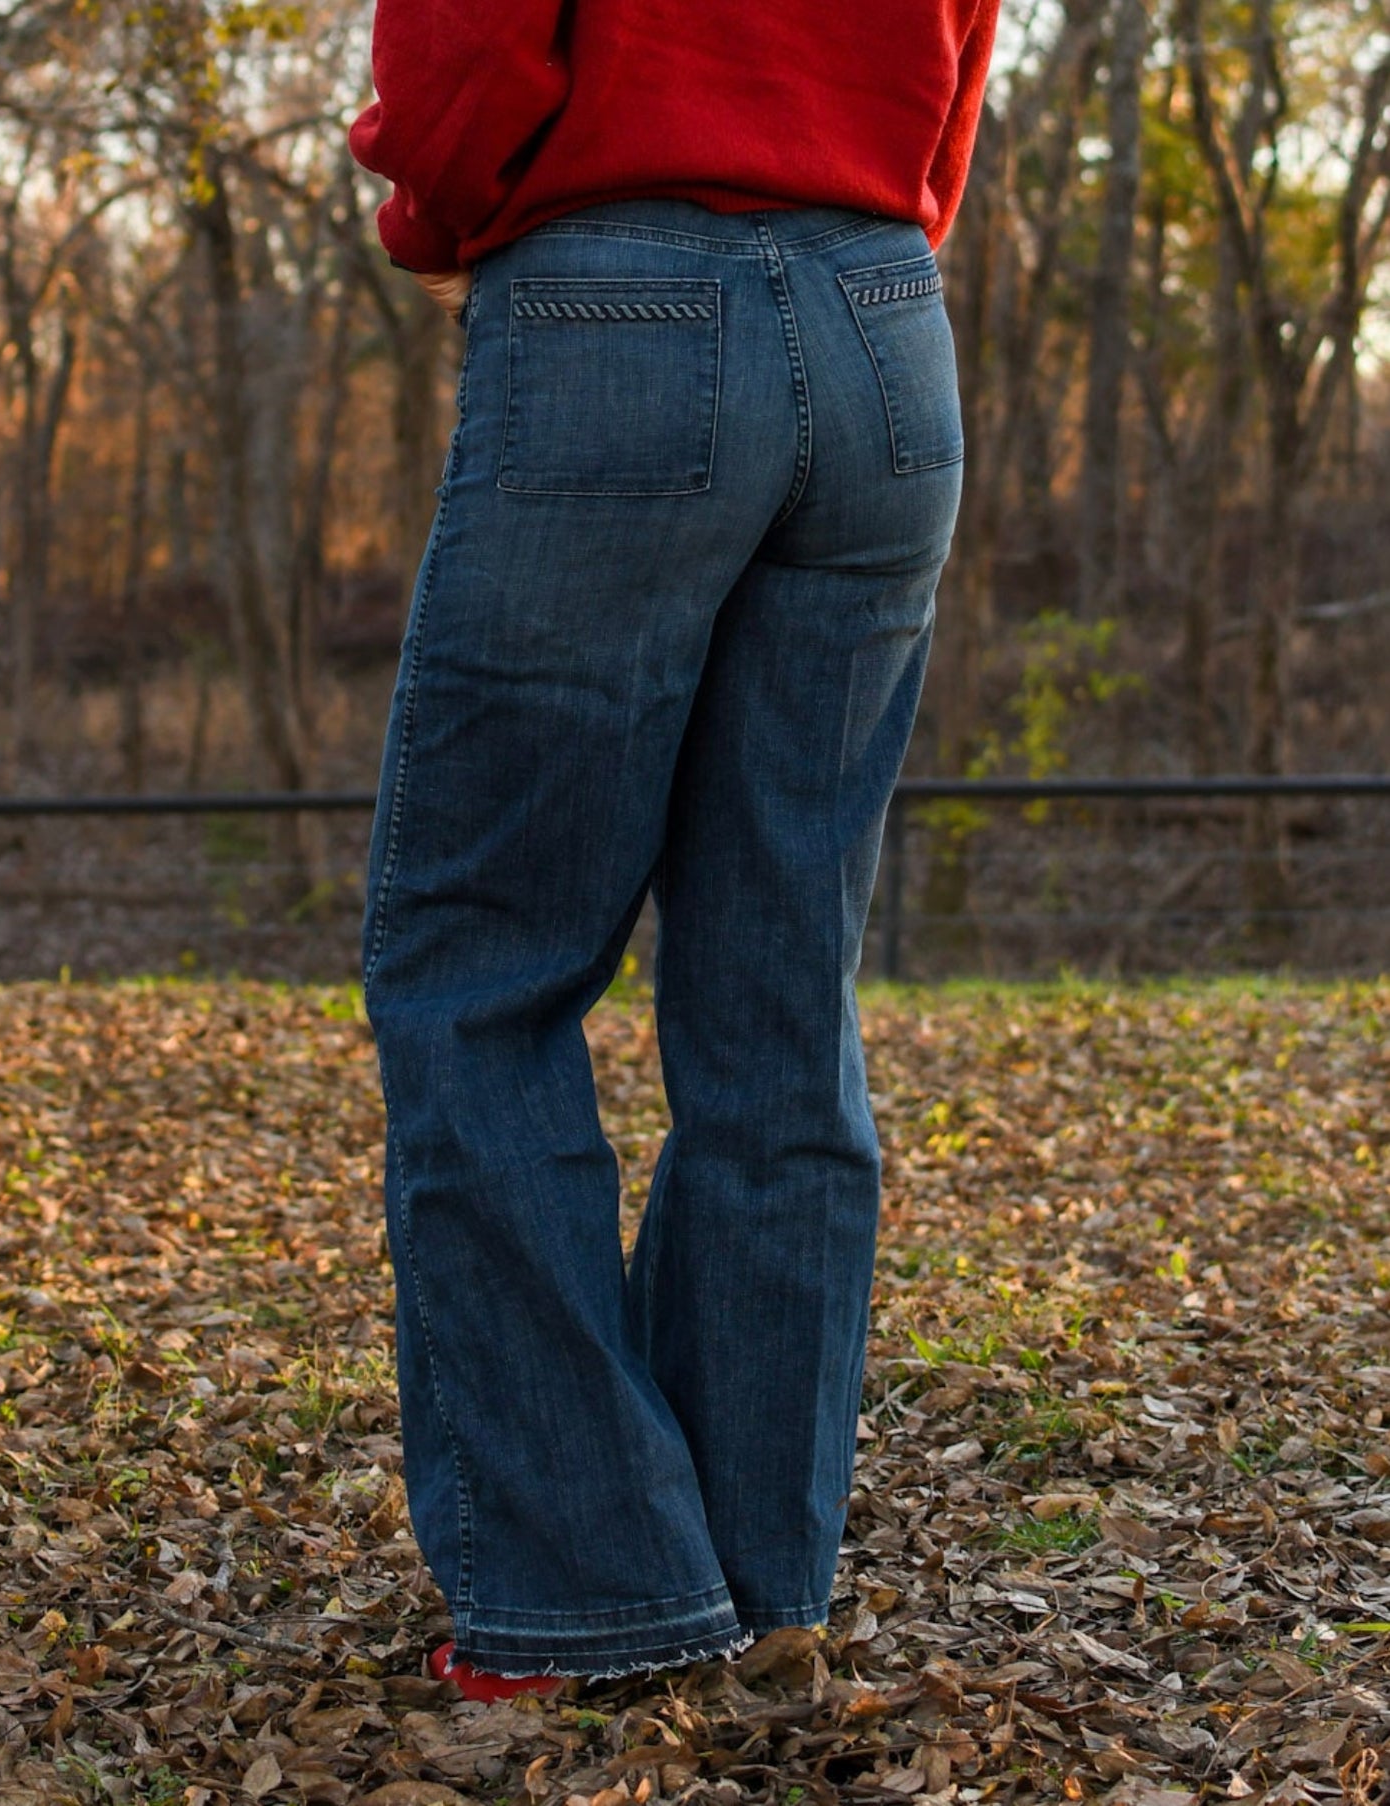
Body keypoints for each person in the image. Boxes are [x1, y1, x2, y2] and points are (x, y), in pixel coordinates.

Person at [349, 0, 1002, 1701]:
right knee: (779, 989)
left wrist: (438, 208)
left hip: (617, 303)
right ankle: (755, 1576)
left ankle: (589, 1593)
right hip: (880, 315)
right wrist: (873, 207)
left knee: (480, 974)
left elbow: (457, 62)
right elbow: (961, 62)